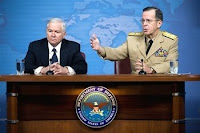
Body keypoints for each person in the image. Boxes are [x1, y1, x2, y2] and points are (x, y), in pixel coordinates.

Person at [90, 6, 178, 74]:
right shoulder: (132, 39)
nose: (144, 24)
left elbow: (172, 64)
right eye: (143, 20)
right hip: (136, 86)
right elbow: (117, 53)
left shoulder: (170, 41)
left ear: (159, 23)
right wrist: (100, 49)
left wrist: (151, 70)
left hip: (161, 86)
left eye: (148, 21)